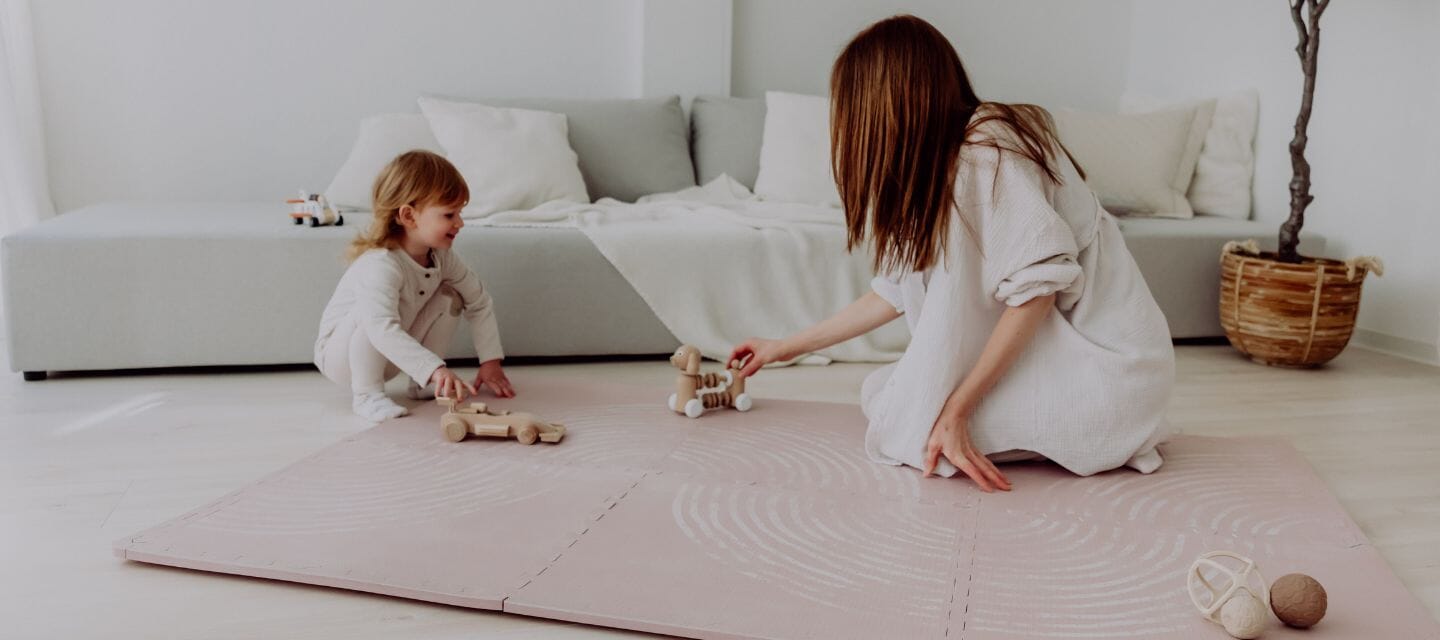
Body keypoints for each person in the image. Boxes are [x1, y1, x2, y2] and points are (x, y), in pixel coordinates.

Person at [731, 15, 1175, 491]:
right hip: (1069, 357)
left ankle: (1099, 429)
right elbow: (893, 291)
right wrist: (784, 347)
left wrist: (958, 410)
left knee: (914, 422)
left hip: (1108, 369)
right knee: (892, 400)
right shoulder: (940, 165)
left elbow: (1037, 293)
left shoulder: (988, 149)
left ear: (888, 104)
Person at [315, 150, 514, 421]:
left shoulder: (442, 257)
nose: (460, 223)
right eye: (449, 214)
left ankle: (423, 385)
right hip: (341, 358)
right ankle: (366, 395)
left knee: (451, 296)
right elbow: (379, 327)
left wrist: (490, 362)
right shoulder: (380, 264)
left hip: (390, 354)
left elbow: (478, 302)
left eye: (459, 213)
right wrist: (435, 369)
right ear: (409, 216)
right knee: (372, 313)